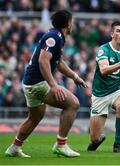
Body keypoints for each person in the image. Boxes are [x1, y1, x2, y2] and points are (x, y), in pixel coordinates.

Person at [5, 10, 87, 158]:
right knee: (73, 104)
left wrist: (74, 76)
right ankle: (61, 145)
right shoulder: (54, 37)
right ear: (68, 23)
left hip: (31, 82)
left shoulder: (57, 36)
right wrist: (54, 85)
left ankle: (14, 147)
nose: (73, 24)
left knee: (35, 117)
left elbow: (58, 63)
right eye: (72, 21)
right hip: (38, 83)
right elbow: (43, 60)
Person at [87, 21, 120, 153]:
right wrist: (119, 63)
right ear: (112, 34)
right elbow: (104, 70)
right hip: (100, 94)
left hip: (117, 90)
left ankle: (117, 144)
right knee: (94, 138)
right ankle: (98, 140)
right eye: (118, 31)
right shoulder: (103, 50)